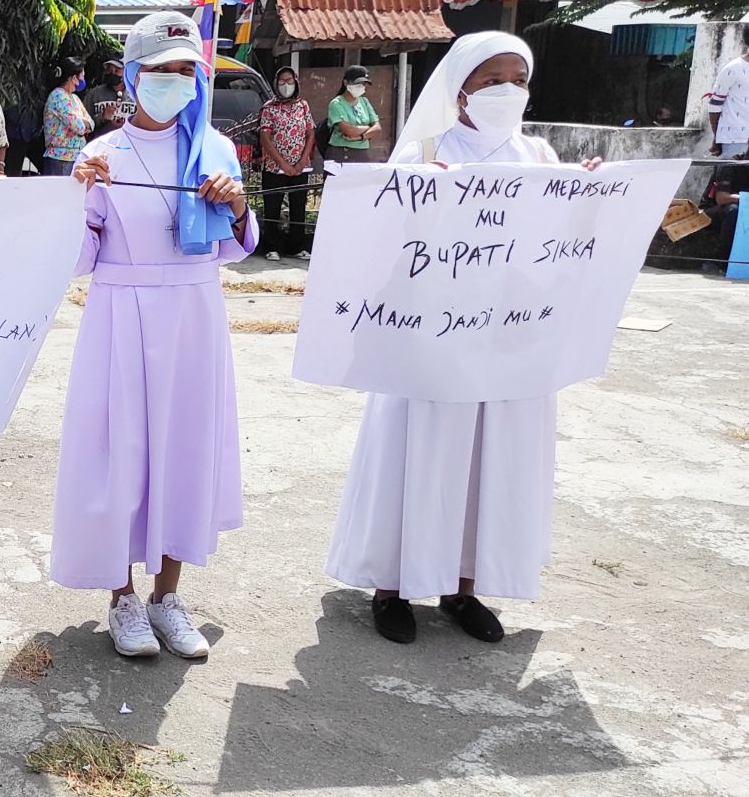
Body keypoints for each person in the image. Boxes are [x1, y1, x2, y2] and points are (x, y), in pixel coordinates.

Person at [325, 32, 603, 646]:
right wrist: (422, 196)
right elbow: (380, 239)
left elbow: (566, 244)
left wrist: (588, 197)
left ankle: (462, 585)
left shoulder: (541, 158)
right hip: (433, 336)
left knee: (489, 458)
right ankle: (392, 586)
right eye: (491, 80)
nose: (506, 91)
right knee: (420, 451)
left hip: (509, 338)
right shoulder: (425, 152)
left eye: (517, 81)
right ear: (461, 91)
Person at [54, 12, 256, 659]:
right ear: (132, 75)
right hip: (120, 314)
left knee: (184, 448)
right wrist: (72, 199)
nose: (174, 81)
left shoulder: (214, 150)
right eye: (161, 70)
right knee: (121, 451)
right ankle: (122, 598)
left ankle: (168, 595)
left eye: (185, 71)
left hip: (194, 314)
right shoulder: (101, 155)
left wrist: (238, 204)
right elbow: (77, 259)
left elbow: (235, 248)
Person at [257, 66, 316, 261]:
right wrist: (283, 164)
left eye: (289, 81)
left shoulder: (303, 106)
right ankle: (271, 247)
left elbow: (310, 133)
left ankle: (297, 247)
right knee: (272, 207)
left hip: (300, 167)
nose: (286, 85)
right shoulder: (269, 108)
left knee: (298, 207)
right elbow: (265, 138)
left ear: (296, 83)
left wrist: (301, 162)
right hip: (275, 168)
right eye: (282, 82)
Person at [42, 57, 93, 176]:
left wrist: (84, 122)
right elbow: (79, 127)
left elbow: (91, 123)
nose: (83, 80)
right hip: (60, 158)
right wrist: (83, 121)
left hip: (75, 157)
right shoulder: (58, 96)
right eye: (82, 76)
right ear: (74, 78)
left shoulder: (74, 98)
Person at [327, 64, 381, 162]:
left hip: (362, 153)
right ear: (345, 82)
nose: (361, 87)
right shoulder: (337, 103)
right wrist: (368, 128)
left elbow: (377, 128)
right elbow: (349, 131)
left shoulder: (365, 102)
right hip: (342, 152)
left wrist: (361, 137)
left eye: (364, 84)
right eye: (357, 83)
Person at [707, 44, 749, 158]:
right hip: (737, 140)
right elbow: (714, 105)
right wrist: (718, 136)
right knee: (734, 169)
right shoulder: (733, 69)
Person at [84, 59, 129, 141]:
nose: (112, 73)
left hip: (127, 143)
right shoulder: (94, 94)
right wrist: (102, 116)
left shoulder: (135, 95)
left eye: (117, 70)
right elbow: (83, 124)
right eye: (109, 70)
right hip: (100, 143)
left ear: (125, 72)